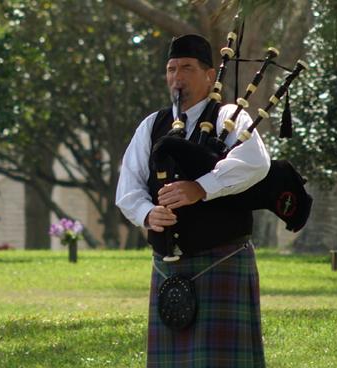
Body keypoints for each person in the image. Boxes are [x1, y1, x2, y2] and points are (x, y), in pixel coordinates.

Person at [116, 34, 270, 367]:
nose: (176, 77)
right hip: (168, 266)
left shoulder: (230, 117)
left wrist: (201, 187)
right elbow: (128, 188)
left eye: (186, 68)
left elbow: (256, 163)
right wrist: (147, 213)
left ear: (210, 75)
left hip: (223, 261)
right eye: (171, 69)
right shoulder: (152, 125)